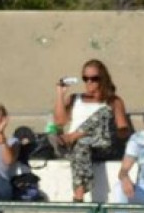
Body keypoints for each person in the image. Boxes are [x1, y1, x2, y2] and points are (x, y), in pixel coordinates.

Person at [51, 59, 131, 202]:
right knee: (81, 143)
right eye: (85, 78)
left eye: (94, 79)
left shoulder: (113, 101)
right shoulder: (75, 98)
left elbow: (123, 131)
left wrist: (103, 126)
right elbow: (59, 122)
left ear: (103, 79)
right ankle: (79, 194)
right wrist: (60, 94)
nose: (89, 82)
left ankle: (75, 136)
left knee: (104, 112)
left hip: (102, 146)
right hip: (77, 146)